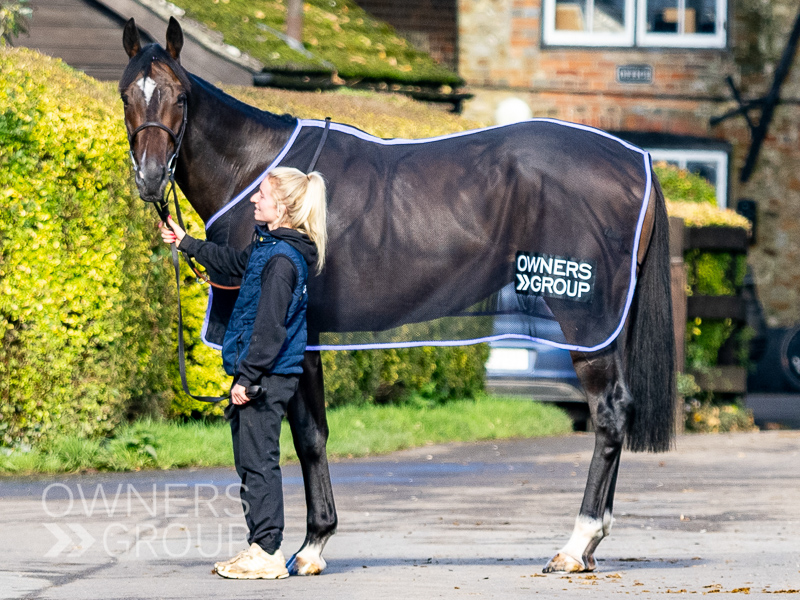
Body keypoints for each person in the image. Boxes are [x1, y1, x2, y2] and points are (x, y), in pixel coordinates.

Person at [159, 167, 327, 579]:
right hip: (263, 375)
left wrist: (248, 378)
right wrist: (187, 243)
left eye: (262, 194)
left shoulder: (283, 261)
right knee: (251, 462)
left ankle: (268, 553)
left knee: (258, 463)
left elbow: (270, 328)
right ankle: (260, 546)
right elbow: (234, 264)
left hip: (265, 378)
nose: (254, 199)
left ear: (283, 207)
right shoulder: (271, 249)